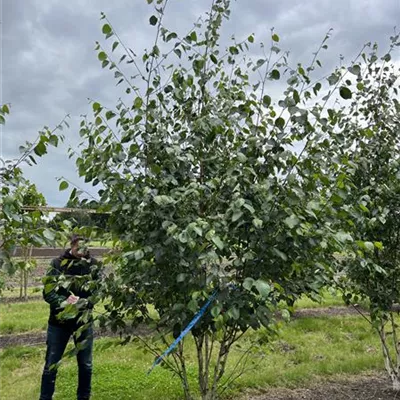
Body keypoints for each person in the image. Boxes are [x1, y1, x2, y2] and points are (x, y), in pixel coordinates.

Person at [39, 234, 101, 400]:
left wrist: (84, 302)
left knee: (86, 365)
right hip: (59, 323)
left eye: (84, 248)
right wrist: (64, 301)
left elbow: (98, 292)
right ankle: (45, 397)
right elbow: (48, 293)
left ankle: (83, 397)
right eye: (77, 248)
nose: (81, 252)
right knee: (51, 364)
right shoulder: (57, 264)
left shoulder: (94, 265)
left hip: (84, 322)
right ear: (71, 246)